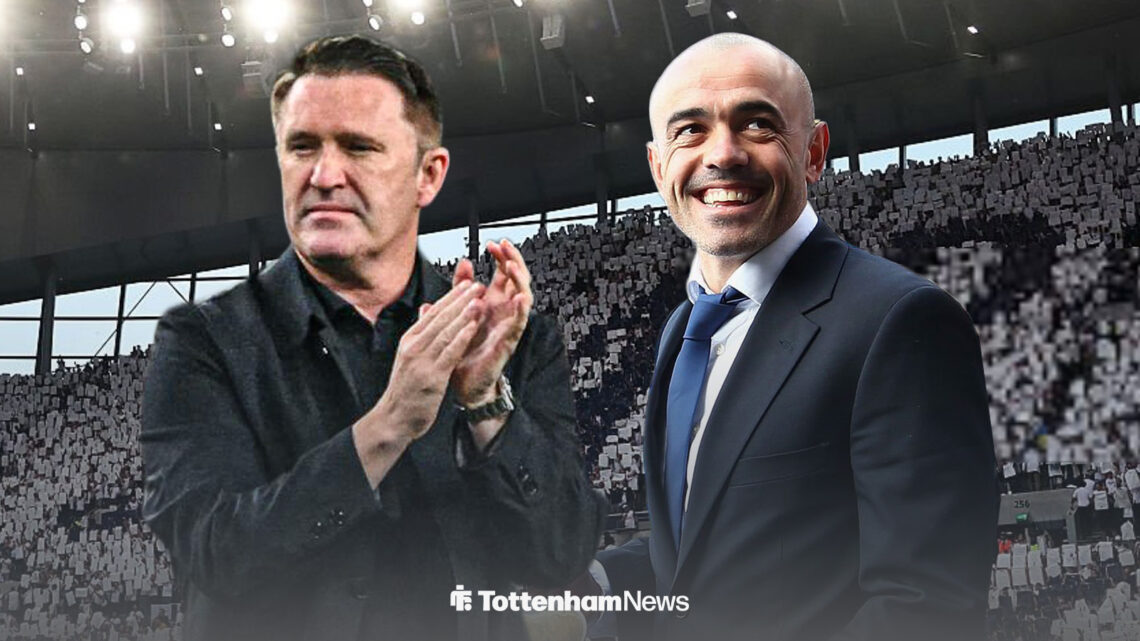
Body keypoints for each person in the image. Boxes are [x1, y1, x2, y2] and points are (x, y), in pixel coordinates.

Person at [141, 35, 604, 641]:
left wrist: (488, 402)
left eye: (359, 148)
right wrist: (388, 425)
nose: (324, 175)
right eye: (302, 147)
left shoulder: (514, 339)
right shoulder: (201, 342)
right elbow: (215, 556)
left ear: (428, 175)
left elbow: (563, 552)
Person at [592, 33, 997, 641]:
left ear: (813, 151)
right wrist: (588, 580)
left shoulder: (900, 319)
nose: (721, 154)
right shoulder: (685, 330)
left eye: (757, 124)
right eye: (690, 130)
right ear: (657, 167)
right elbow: (701, 552)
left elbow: (927, 604)